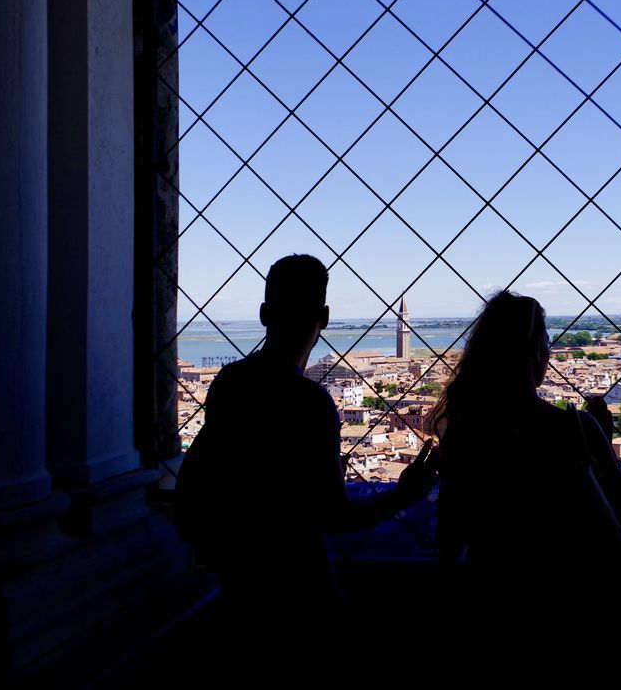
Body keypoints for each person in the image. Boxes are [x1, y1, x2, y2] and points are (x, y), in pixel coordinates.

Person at [174, 254, 438, 660]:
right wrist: (406, 495)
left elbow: (194, 494)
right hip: (301, 589)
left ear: (264, 314)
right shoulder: (309, 402)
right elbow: (337, 516)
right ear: (326, 316)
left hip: (239, 590)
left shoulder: (231, 384)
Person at [429, 291, 621, 682]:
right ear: (536, 351)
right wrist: (604, 442)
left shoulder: (464, 433)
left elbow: (450, 539)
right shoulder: (575, 429)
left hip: (499, 613)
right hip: (580, 616)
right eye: (547, 340)